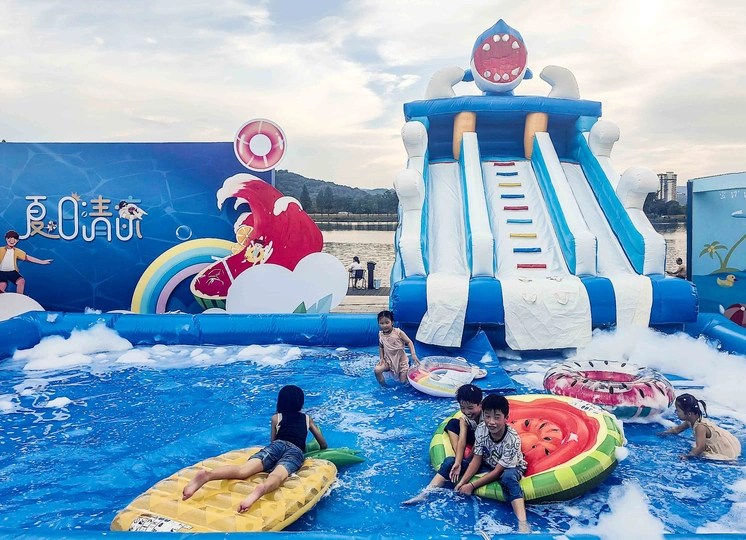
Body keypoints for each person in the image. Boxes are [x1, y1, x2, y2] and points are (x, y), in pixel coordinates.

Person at [182, 385, 328, 513]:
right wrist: (319, 448)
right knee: (277, 476)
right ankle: (262, 489)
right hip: (295, 452)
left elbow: (273, 441)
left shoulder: (276, 418)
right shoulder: (307, 418)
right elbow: (322, 443)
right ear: (301, 403)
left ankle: (208, 475)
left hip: (276, 446)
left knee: (243, 470)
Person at [404, 394, 529, 532]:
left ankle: (523, 523)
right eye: (487, 416)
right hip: (487, 462)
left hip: (509, 467)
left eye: (497, 417)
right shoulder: (482, 429)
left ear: (506, 418)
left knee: (508, 478)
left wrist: (471, 485)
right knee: (450, 462)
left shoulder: (512, 439)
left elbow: (498, 471)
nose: (491, 422)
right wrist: (462, 482)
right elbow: (477, 459)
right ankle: (425, 494)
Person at [402, 384, 483, 505]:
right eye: (462, 408)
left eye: (470, 408)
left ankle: (425, 495)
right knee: (453, 423)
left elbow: (479, 448)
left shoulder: (487, 420)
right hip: (475, 435)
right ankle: (426, 493)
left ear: (480, 405)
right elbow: (462, 439)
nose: (466, 412)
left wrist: (466, 461)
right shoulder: (465, 418)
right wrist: (458, 461)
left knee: (450, 462)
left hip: (484, 449)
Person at [657, 393, 741, 461]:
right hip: (724, 439)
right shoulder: (691, 420)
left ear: (689, 414)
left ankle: (733, 463)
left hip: (724, 451)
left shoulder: (700, 427)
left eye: (678, 411)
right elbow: (677, 429)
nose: (676, 413)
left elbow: (700, 448)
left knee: (704, 455)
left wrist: (688, 456)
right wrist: (664, 433)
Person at [375, 310, 420, 385]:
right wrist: (382, 358)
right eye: (382, 323)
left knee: (403, 382)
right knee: (377, 370)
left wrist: (413, 354)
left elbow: (409, 342)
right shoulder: (381, 334)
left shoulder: (398, 332)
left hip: (400, 361)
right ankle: (383, 387)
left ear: (392, 322)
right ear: (378, 324)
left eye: (387, 322)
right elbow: (381, 347)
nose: (385, 325)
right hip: (389, 361)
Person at [0, 230, 52, 295]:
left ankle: (20, 297)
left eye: (14, 239)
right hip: (1, 272)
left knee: (21, 281)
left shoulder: (17, 251)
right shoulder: (1, 250)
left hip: (12, 271)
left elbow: (28, 258)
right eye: (10, 238)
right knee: (2, 285)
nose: (12, 240)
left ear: (17, 241)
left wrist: (42, 262)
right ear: (6, 239)